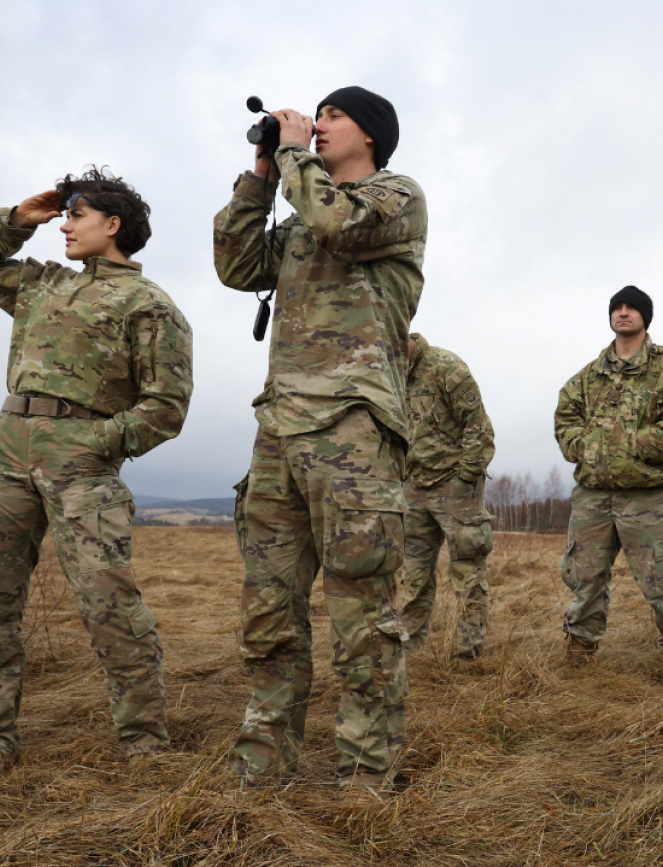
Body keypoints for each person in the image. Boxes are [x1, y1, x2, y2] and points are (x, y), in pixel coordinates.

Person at [213, 86, 426, 794]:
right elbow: (237, 266)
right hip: (279, 430)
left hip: (353, 431)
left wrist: (297, 152)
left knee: (362, 615)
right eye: (318, 116)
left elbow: (340, 225)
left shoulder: (394, 198)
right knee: (270, 611)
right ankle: (264, 765)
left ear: (371, 133)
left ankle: (367, 774)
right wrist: (260, 178)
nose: (318, 123)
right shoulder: (303, 211)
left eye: (332, 115)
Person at [0, 168, 193, 775]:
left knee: (109, 602)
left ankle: (144, 741)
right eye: (64, 215)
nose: (64, 225)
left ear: (112, 225)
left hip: (80, 462)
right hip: (5, 451)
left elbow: (165, 408)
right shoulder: (41, 284)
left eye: (76, 215)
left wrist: (96, 442)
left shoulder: (150, 304)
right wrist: (16, 220)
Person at [553, 286, 663, 683]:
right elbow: (565, 416)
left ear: (644, 317)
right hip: (593, 495)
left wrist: (632, 446)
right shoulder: (589, 375)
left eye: (631, 308)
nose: (623, 313)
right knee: (584, 578)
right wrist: (583, 448)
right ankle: (580, 650)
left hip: (647, 497)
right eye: (617, 308)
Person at [397, 333, 496, 660]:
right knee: (413, 576)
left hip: (455, 488)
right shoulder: (388, 373)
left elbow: (478, 426)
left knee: (467, 573)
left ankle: (469, 657)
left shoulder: (445, 367)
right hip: (413, 489)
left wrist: (465, 478)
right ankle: (410, 655)